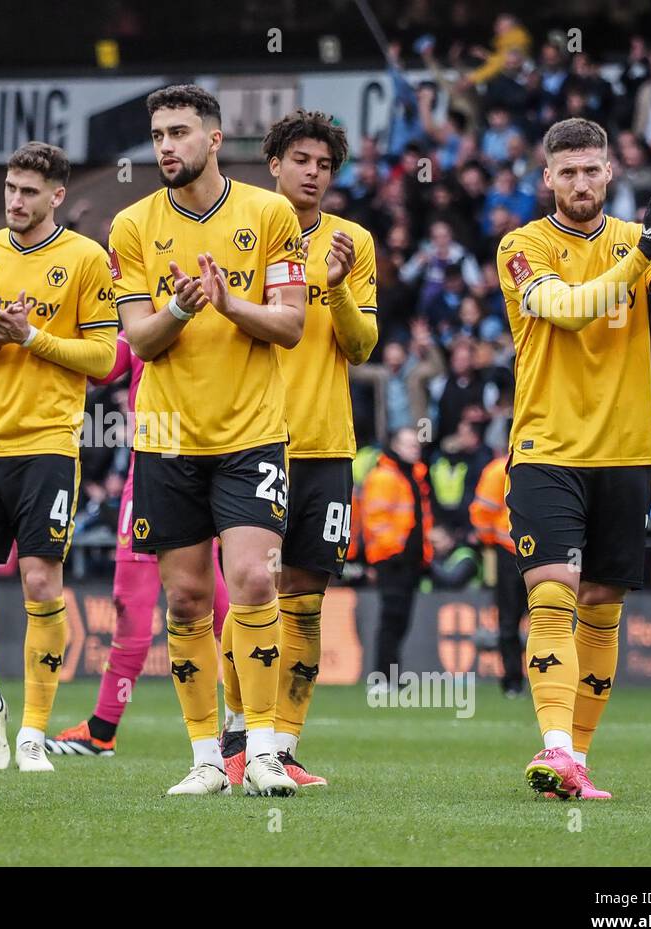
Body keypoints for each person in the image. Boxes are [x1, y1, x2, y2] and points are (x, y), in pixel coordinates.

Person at [496, 118, 651, 800]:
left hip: (625, 452)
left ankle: (576, 758)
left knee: (603, 605)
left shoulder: (633, 240)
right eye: (568, 172)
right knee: (553, 592)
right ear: (547, 180)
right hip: (546, 448)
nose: (581, 183)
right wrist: (644, 248)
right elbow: (571, 310)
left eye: (593, 170)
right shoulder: (522, 246)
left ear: (610, 173)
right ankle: (555, 747)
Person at [110, 84, 307, 797]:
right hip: (166, 432)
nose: (166, 146)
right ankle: (202, 759)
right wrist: (179, 308)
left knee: (255, 580)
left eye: (180, 132)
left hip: (251, 430)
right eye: (158, 134)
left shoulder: (270, 213)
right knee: (188, 599)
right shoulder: (132, 225)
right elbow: (137, 341)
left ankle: (258, 750)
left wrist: (231, 303)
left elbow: (290, 325)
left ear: (216, 139)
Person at [0, 143, 117, 772]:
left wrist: (31, 337)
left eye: (29, 191)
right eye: (10, 187)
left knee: (41, 581)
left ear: (56, 196)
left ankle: (33, 731)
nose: (15, 199)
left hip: (47, 446)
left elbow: (103, 359)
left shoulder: (86, 260)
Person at [211, 108, 379, 790]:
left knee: (307, 597)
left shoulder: (353, 242)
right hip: (255, 440)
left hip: (327, 443)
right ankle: (234, 738)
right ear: (274, 164)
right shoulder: (244, 233)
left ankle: (280, 748)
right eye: (301, 160)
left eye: (325, 164)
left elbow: (363, 346)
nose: (313, 173)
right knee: (257, 591)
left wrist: (336, 289)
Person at [45, 336, 232, 757]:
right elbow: (105, 367)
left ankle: (251, 724)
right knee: (163, 599)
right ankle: (104, 728)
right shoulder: (144, 308)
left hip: (194, 460)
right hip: (164, 462)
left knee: (202, 598)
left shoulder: (198, 302)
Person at [359, 428, 433, 681]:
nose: (415, 449)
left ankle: (390, 675)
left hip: (409, 561)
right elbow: (375, 520)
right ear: (395, 446)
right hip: (392, 560)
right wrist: (394, 550)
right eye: (409, 445)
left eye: (416, 445)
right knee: (392, 618)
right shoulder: (386, 477)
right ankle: (382, 676)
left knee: (400, 619)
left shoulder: (411, 476)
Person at [469, 453, 528, 696]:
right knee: (510, 621)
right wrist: (490, 541)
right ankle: (513, 681)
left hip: (515, 551)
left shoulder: (498, 469)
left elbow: (482, 513)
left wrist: (488, 539)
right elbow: (483, 512)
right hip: (513, 552)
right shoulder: (498, 470)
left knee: (520, 620)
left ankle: (519, 682)